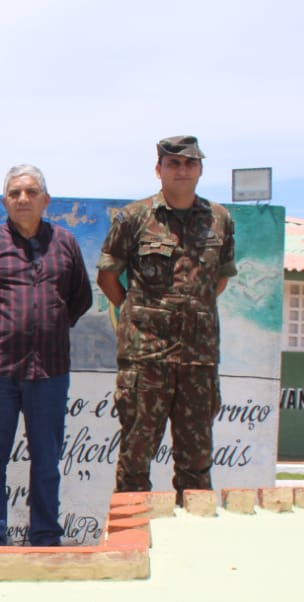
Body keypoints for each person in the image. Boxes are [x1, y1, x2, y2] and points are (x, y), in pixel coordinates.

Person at [0, 164, 93, 546]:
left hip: (49, 369)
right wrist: (3, 328)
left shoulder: (65, 243)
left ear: (46, 200)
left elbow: (81, 298)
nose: (23, 199)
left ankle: (46, 536)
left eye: (31, 192)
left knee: (47, 461)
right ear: (5, 202)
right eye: (15, 193)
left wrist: (47, 325)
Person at [97, 135, 236, 499]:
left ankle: (195, 543)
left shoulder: (220, 220)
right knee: (135, 457)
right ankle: (133, 545)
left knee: (197, 460)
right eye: (173, 164)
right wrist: (138, 314)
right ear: (159, 170)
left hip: (198, 359)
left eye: (190, 163)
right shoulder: (134, 218)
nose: (182, 170)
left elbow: (219, 278)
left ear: (201, 170)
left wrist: (192, 308)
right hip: (146, 359)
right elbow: (108, 276)